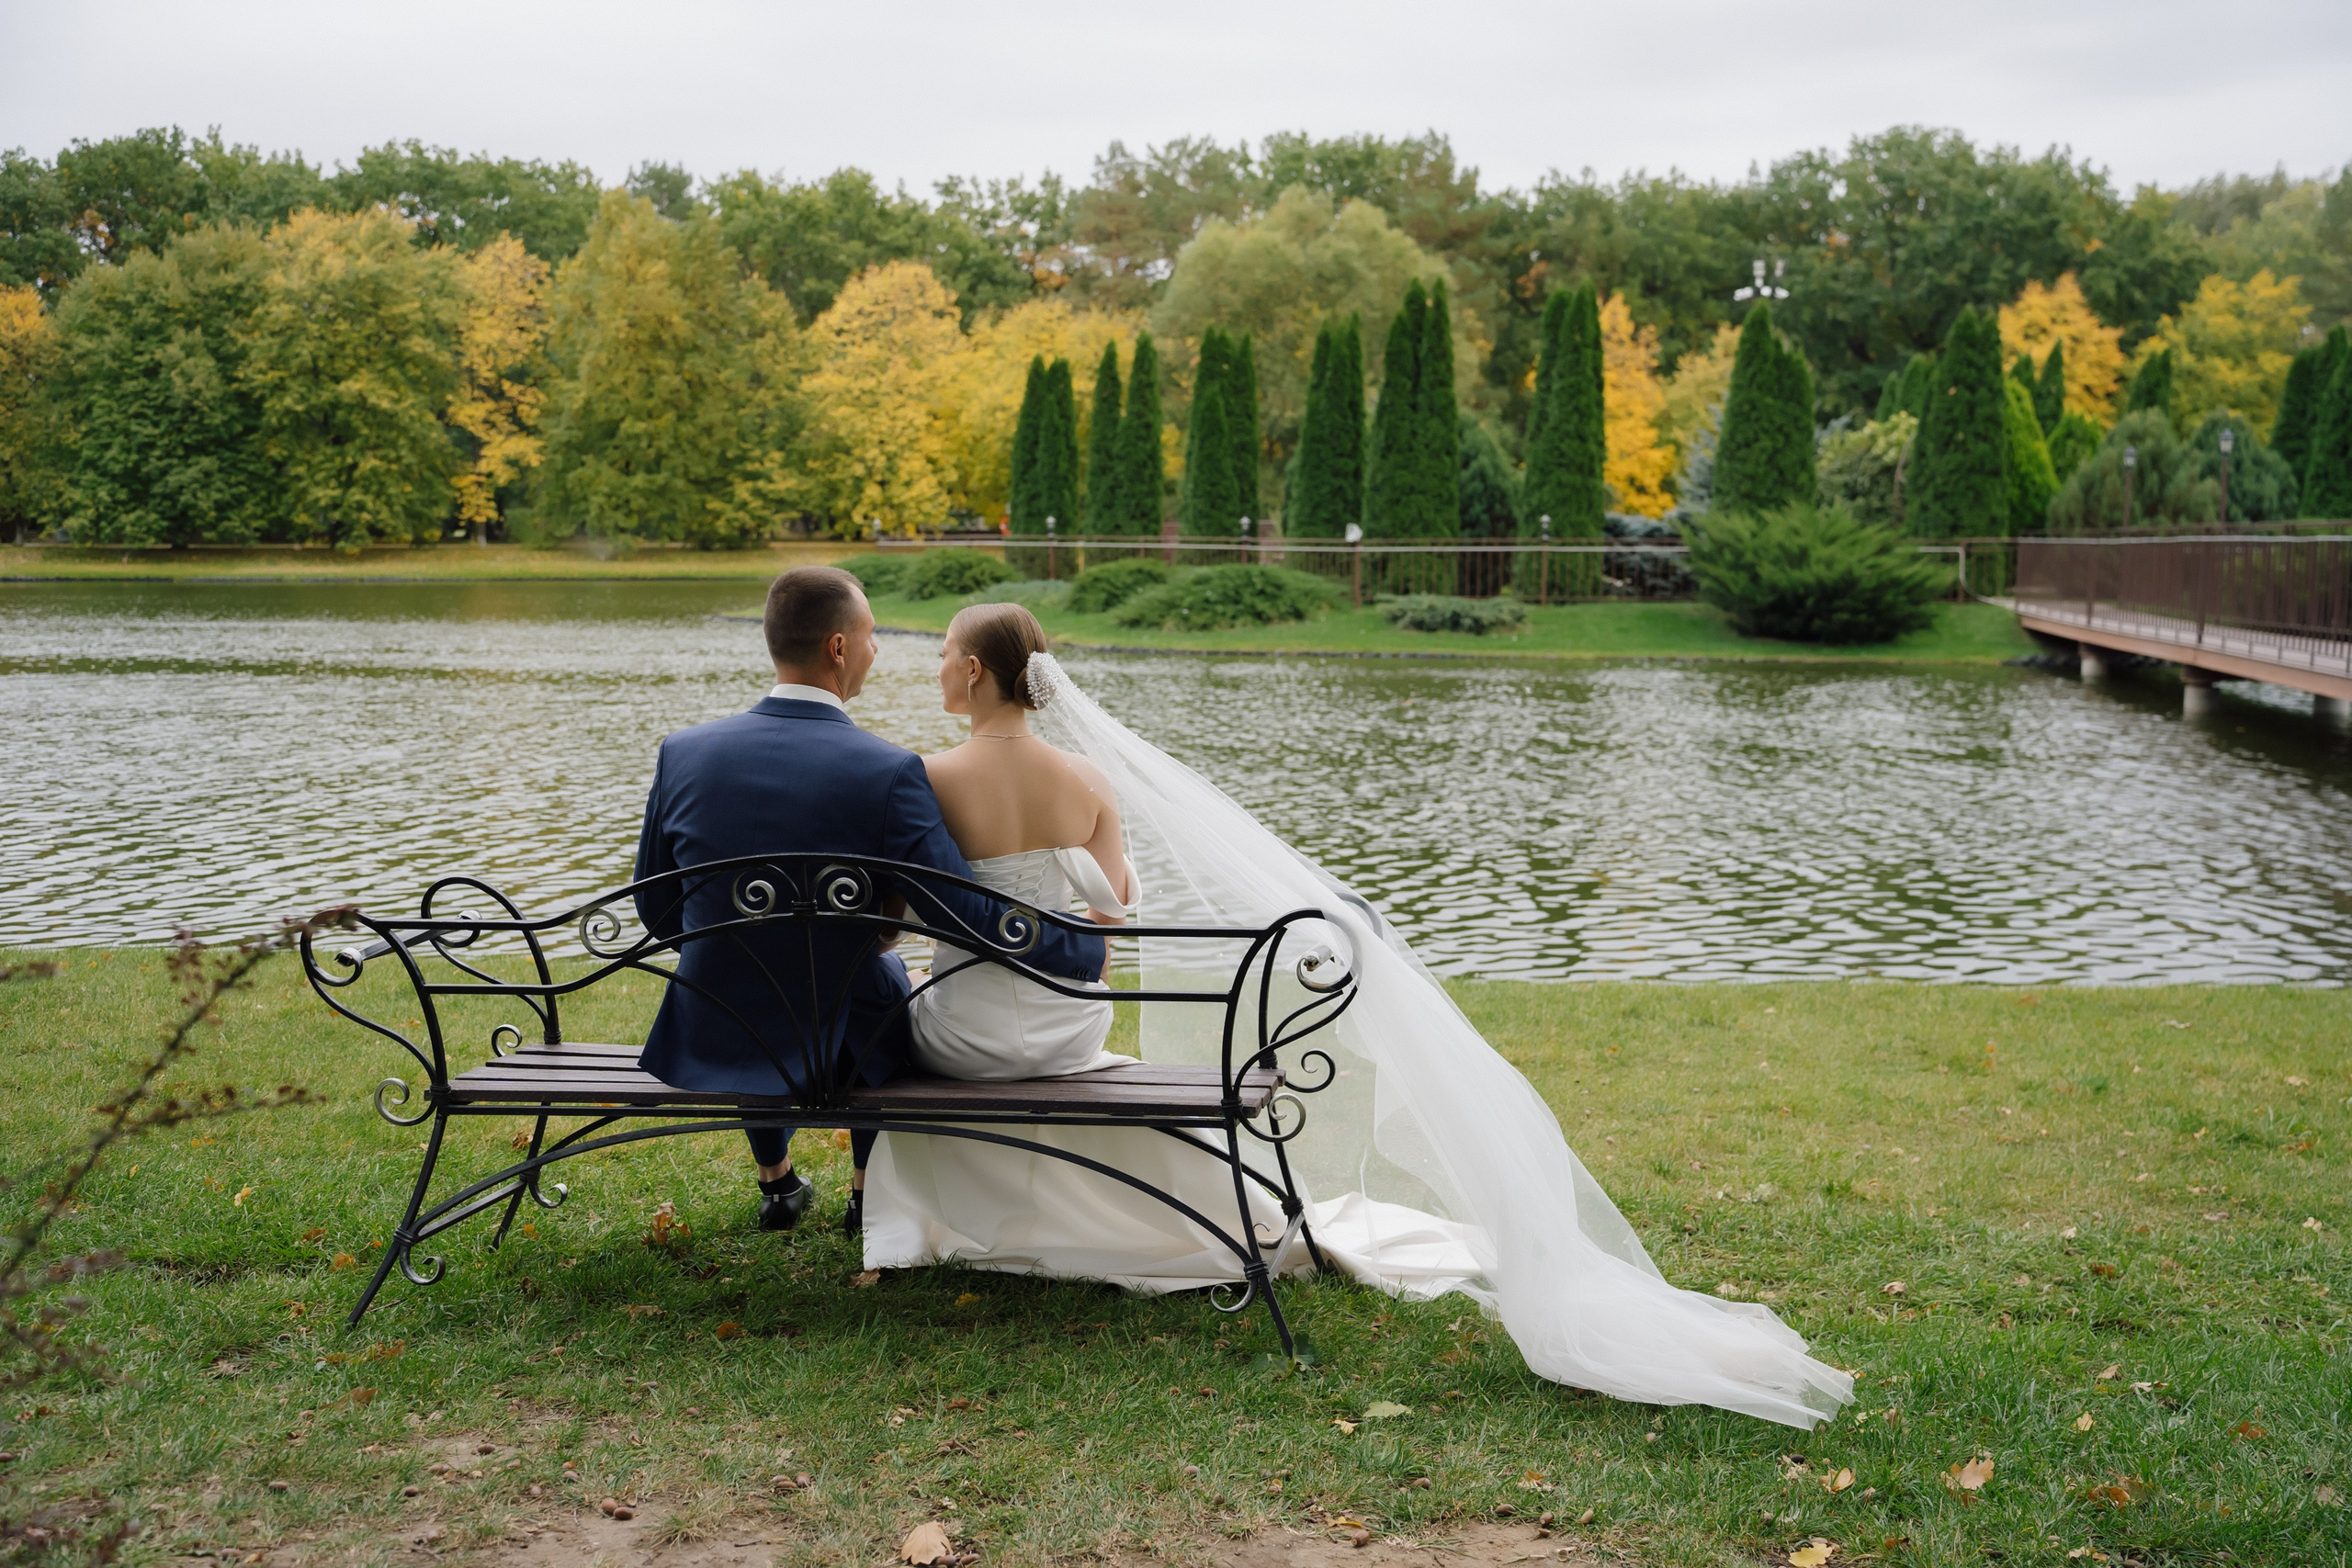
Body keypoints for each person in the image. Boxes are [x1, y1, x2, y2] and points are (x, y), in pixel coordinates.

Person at [863, 625, 1857, 1431]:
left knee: (910, 1014)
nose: (934, 667)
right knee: (1061, 1042)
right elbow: (1117, 904)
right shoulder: (1087, 782)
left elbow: (921, 906)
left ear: (976, 671)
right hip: (1063, 1033)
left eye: (944, 652)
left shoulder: (929, 774)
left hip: (970, 1036)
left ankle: (945, 1219)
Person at [631, 568, 1105, 1236]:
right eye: (871, 633)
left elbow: (655, 904)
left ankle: (777, 1184)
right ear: (837, 648)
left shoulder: (684, 753)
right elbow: (957, 910)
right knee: (881, 980)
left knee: (757, 978)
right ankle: (863, 1192)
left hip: (716, 1017)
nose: (876, 649)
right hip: (844, 1031)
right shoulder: (886, 770)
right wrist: (1078, 944)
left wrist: (735, 950)